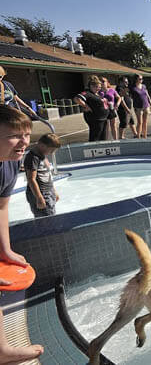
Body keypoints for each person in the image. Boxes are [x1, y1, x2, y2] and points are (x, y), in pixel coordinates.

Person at [0, 105, 45, 363]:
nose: (24, 142)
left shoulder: (9, 163)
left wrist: (5, 250)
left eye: (27, 135)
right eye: (15, 135)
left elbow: (1, 206)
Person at [24, 133, 60, 217]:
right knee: (46, 221)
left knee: (51, 217)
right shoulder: (33, 158)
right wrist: (39, 197)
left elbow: (48, 176)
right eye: (51, 150)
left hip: (47, 191)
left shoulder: (42, 156)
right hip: (40, 193)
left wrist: (53, 191)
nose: (51, 153)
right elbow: (31, 179)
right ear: (42, 145)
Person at [74, 75, 109, 141]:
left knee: (103, 138)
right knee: (95, 137)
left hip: (103, 119)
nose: (99, 89)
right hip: (95, 119)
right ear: (91, 86)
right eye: (97, 87)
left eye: (99, 87)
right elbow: (77, 99)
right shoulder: (87, 93)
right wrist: (86, 106)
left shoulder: (97, 94)